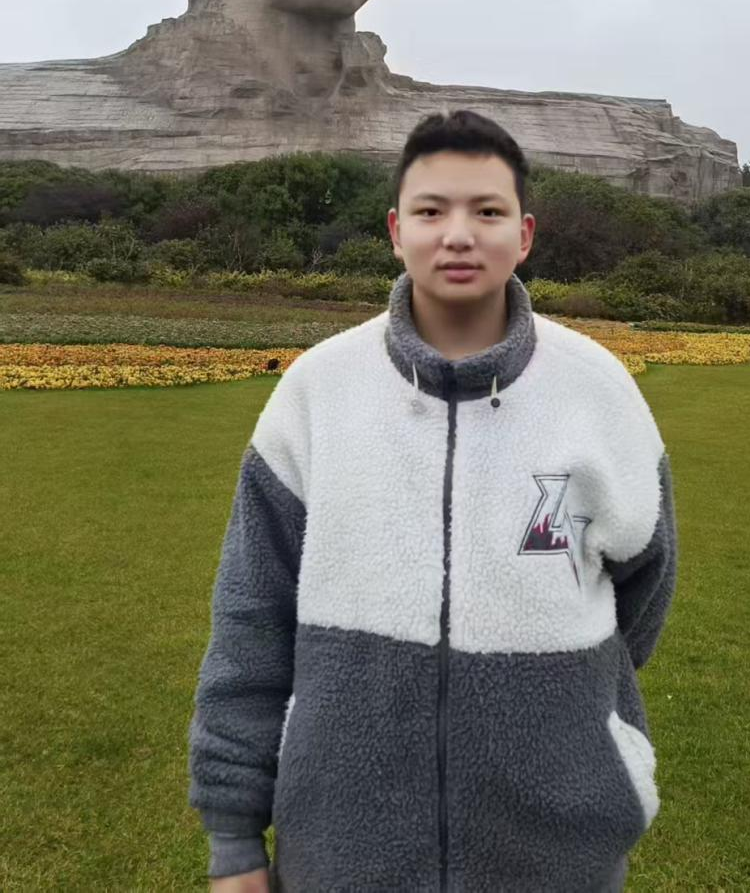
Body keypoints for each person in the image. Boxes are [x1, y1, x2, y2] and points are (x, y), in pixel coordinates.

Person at [188, 109, 677, 893]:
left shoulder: (599, 393)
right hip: (344, 851)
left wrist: (567, 708)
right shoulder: (316, 391)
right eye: (430, 211)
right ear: (395, 230)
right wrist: (234, 839)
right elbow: (252, 618)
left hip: (558, 859)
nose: (458, 235)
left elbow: (644, 591)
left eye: (487, 211)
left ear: (524, 234)